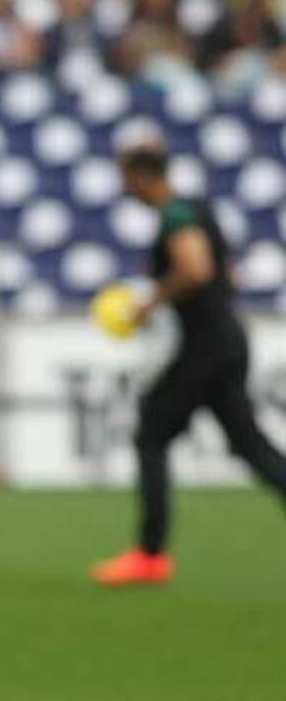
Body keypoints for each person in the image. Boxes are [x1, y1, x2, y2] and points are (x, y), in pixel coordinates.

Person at [91, 144, 286, 586]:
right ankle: (149, 552)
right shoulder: (200, 209)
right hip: (226, 339)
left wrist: (149, 303)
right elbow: (225, 276)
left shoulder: (176, 215)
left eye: (126, 179)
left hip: (205, 348)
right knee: (249, 444)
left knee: (152, 433)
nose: (125, 189)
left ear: (142, 177)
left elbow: (195, 269)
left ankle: (150, 554)